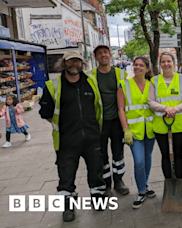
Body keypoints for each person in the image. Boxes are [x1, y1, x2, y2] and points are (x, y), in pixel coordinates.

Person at [39, 50, 106, 222]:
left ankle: (97, 197)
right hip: (67, 141)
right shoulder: (53, 85)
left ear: (82, 64)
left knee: (96, 171)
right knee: (66, 174)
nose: (74, 64)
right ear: (64, 63)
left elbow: (98, 108)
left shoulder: (91, 83)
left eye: (77, 61)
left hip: (91, 138)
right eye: (70, 61)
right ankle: (68, 205)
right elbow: (46, 113)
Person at [89, 45, 129, 196]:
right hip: (99, 122)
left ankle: (119, 181)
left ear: (110, 56)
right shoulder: (91, 75)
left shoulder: (120, 73)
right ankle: (106, 183)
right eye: (99, 53)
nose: (103, 55)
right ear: (95, 57)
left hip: (117, 120)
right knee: (101, 154)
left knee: (118, 152)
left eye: (106, 52)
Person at [117, 57, 156, 209]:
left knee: (147, 158)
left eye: (141, 65)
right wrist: (125, 129)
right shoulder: (124, 85)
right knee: (139, 161)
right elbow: (121, 109)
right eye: (136, 65)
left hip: (150, 129)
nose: (138, 67)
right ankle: (141, 191)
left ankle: (145, 185)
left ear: (147, 68)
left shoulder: (152, 85)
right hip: (133, 131)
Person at [149, 52, 182, 180]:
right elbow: (151, 101)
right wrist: (165, 108)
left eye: (169, 61)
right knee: (165, 154)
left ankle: (178, 181)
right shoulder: (154, 81)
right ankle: (168, 182)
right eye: (163, 62)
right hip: (160, 124)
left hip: (179, 124)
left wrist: (174, 109)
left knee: (178, 154)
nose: (166, 64)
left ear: (174, 62)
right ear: (160, 64)